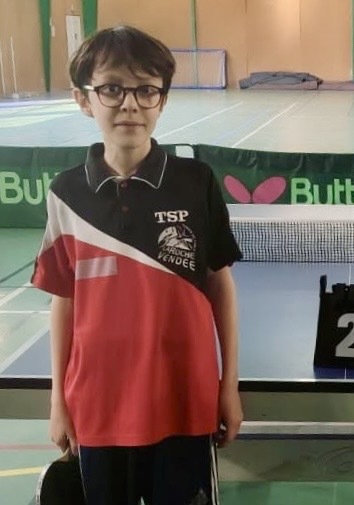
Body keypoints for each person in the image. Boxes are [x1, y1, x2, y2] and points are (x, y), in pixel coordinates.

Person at [31, 25, 243, 505]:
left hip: (184, 400)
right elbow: (64, 300)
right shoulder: (66, 193)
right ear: (84, 99)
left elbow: (220, 287)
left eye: (146, 90)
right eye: (112, 88)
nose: (130, 104)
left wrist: (227, 386)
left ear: (161, 100)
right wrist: (58, 398)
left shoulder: (196, 181)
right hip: (98, 404)